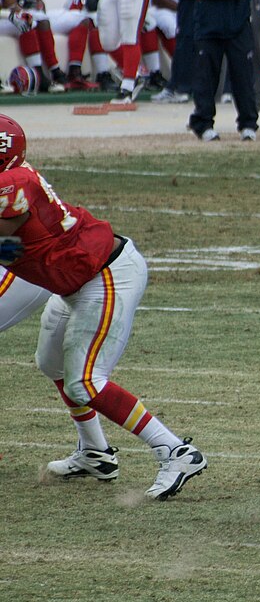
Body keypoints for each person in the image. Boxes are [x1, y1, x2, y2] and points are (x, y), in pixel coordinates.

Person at [0, 114, 208, 500]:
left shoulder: (14, 184)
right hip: (76, 281)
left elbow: (5, 238)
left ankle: (176, 451)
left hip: (106, 275)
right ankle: (95, 452)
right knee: (52, 364)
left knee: (86, 380)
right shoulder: (14, 178)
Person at [185, 0, 258, 142]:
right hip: (208, 24)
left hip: (237, 23)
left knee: (243, 77)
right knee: (205, 78)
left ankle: (248, 124)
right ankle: (203, 123)